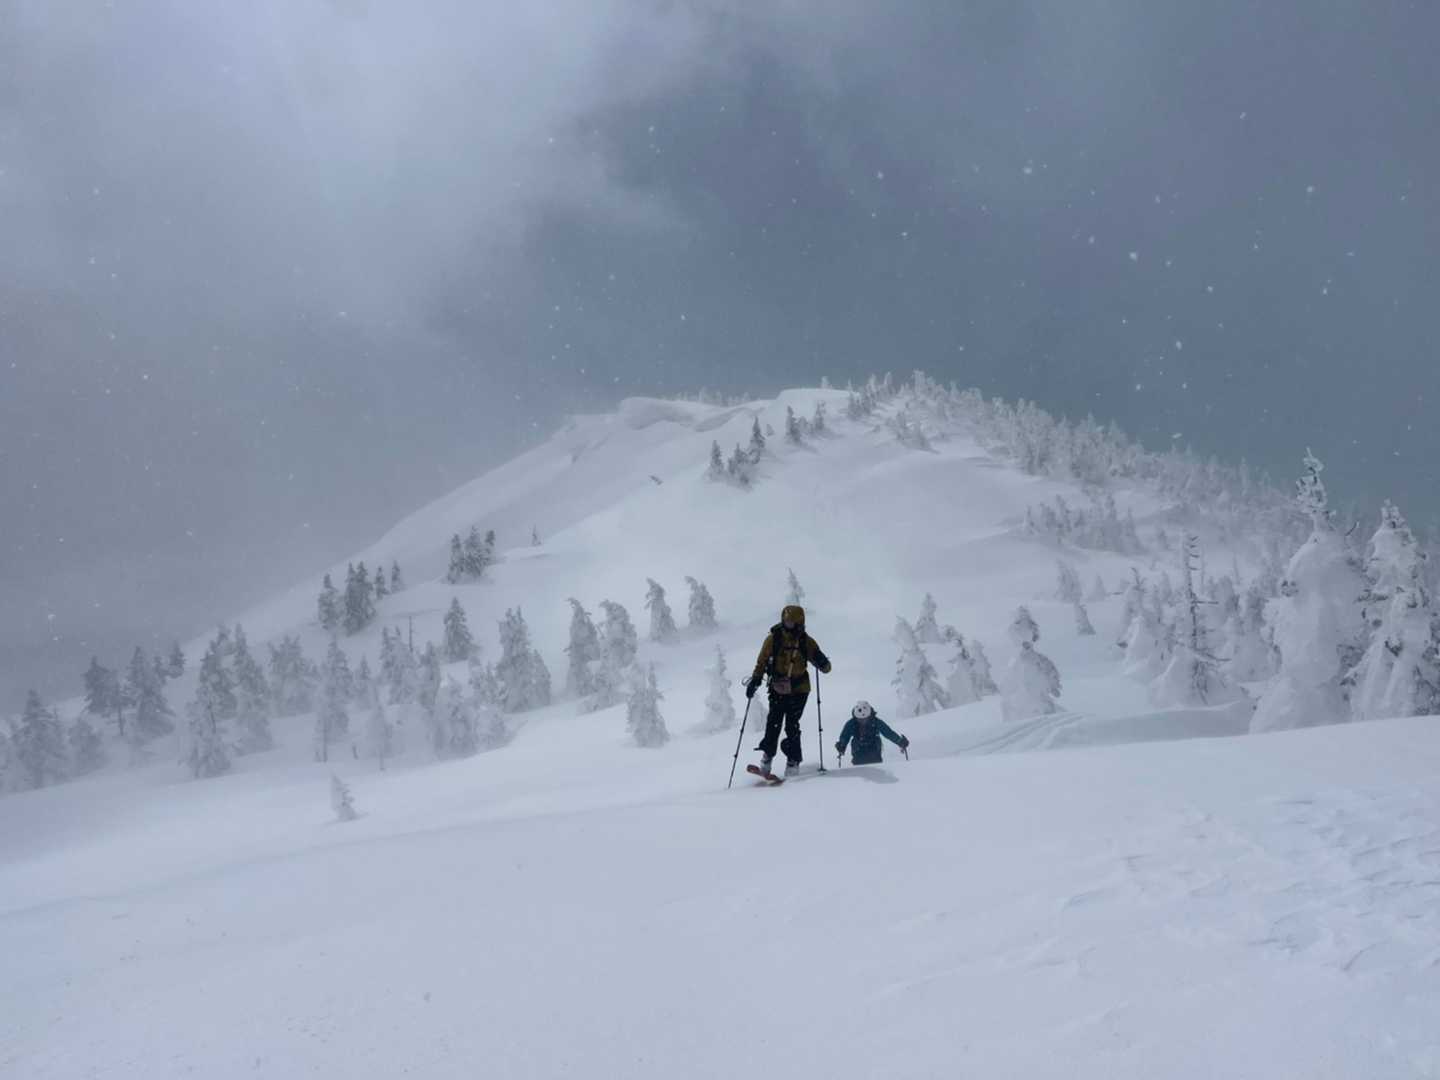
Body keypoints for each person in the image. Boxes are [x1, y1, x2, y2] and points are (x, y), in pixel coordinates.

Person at [746, 605, 831, 778]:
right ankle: (767, 759)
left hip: (799, 689)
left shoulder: (806, 641)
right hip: (778, 688)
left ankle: (793, 762)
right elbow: (762, 661)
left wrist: (822, 662)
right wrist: (755, 680)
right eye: (785, 621)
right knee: (773, 723)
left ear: (799, 622)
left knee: (792, 725)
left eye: (791, 622)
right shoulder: (773, 639)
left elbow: (826, 668)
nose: (787, 625)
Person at [835, 701, 908, 765]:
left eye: (865, 719)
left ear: (869, 716)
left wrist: (899, 741)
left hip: (874, 748)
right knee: (859, 762)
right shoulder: (851, 723)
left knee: (875, 759)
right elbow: (845, 735)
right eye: (860, 719)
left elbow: (888, 733)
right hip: (858, 749)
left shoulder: (876, 722)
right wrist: (842, 746)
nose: (862, 721)